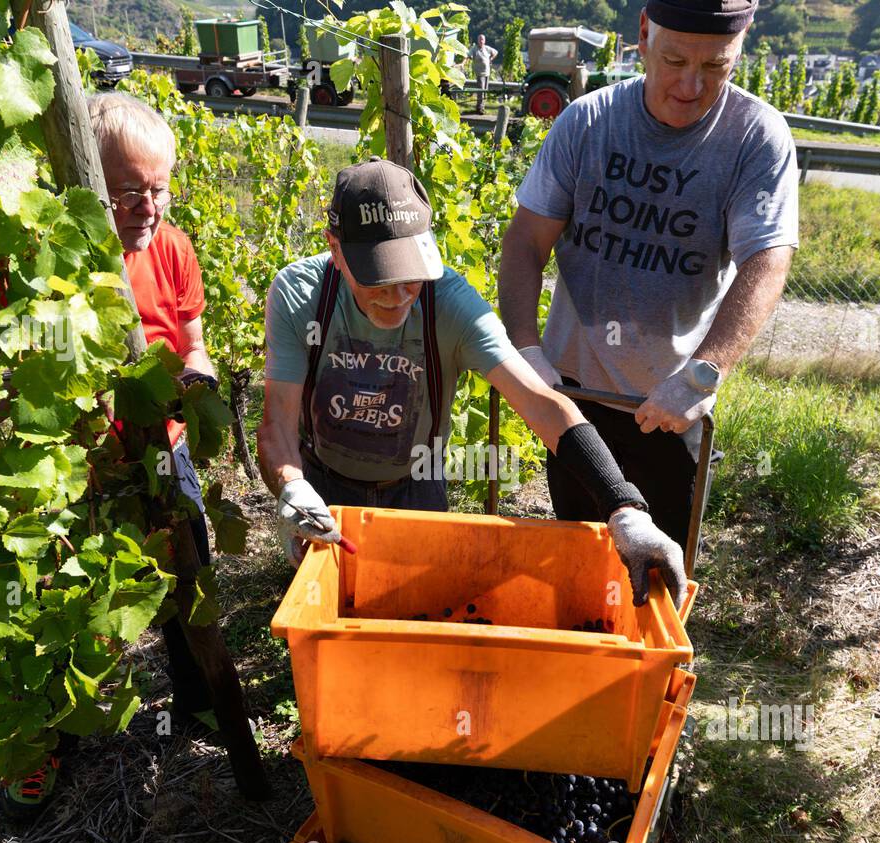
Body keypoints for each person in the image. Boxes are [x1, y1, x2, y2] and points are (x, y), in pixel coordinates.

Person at [257, 156, 687, 607]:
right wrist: (292, 488)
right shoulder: (301, 296)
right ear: (335, 249)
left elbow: (541, 403)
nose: (400, 295)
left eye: (411, 276)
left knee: (419, 616)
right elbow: (279, 424)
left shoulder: (451, 303)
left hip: (415, 489)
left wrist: (623, 508)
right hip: (327, 490)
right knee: (332, 626)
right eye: (381, 279)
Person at [498, 0, 798, 547]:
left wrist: (702, 374)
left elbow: (767, 259)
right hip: (574, 404)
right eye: (675, 61)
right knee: (580, 553)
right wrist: (527, 351)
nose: (690, 86)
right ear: (643, 34)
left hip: (669, 407)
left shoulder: (755, 137)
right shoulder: (587, 122)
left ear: (742, 44)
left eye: (715, 68)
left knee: (659, 570)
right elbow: (524, 242)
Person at [3, 92, 219, 816]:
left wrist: (202, 371)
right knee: (61, 593)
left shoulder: (173, 249)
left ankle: (198, 695)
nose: (148, 205)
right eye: (129, 191)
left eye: (159, 189)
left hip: (165, 444)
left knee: (190, 563)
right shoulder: (46, 263)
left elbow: (190, 335)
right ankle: (49, 736)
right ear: (79, 182)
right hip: (76, 462)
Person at [469, 33, 498, 114]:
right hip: (479, 73)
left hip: (487, 73)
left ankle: (482, 107)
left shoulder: (487, 49)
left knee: (485, 91)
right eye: (479, 39)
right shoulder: (474, 49)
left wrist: (491, 58)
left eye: (482, 39)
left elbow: (496, 52)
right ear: (477, 40)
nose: (481, 41)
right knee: (481, 91)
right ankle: (479, 108)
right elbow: (469, 55)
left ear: (484, 41)